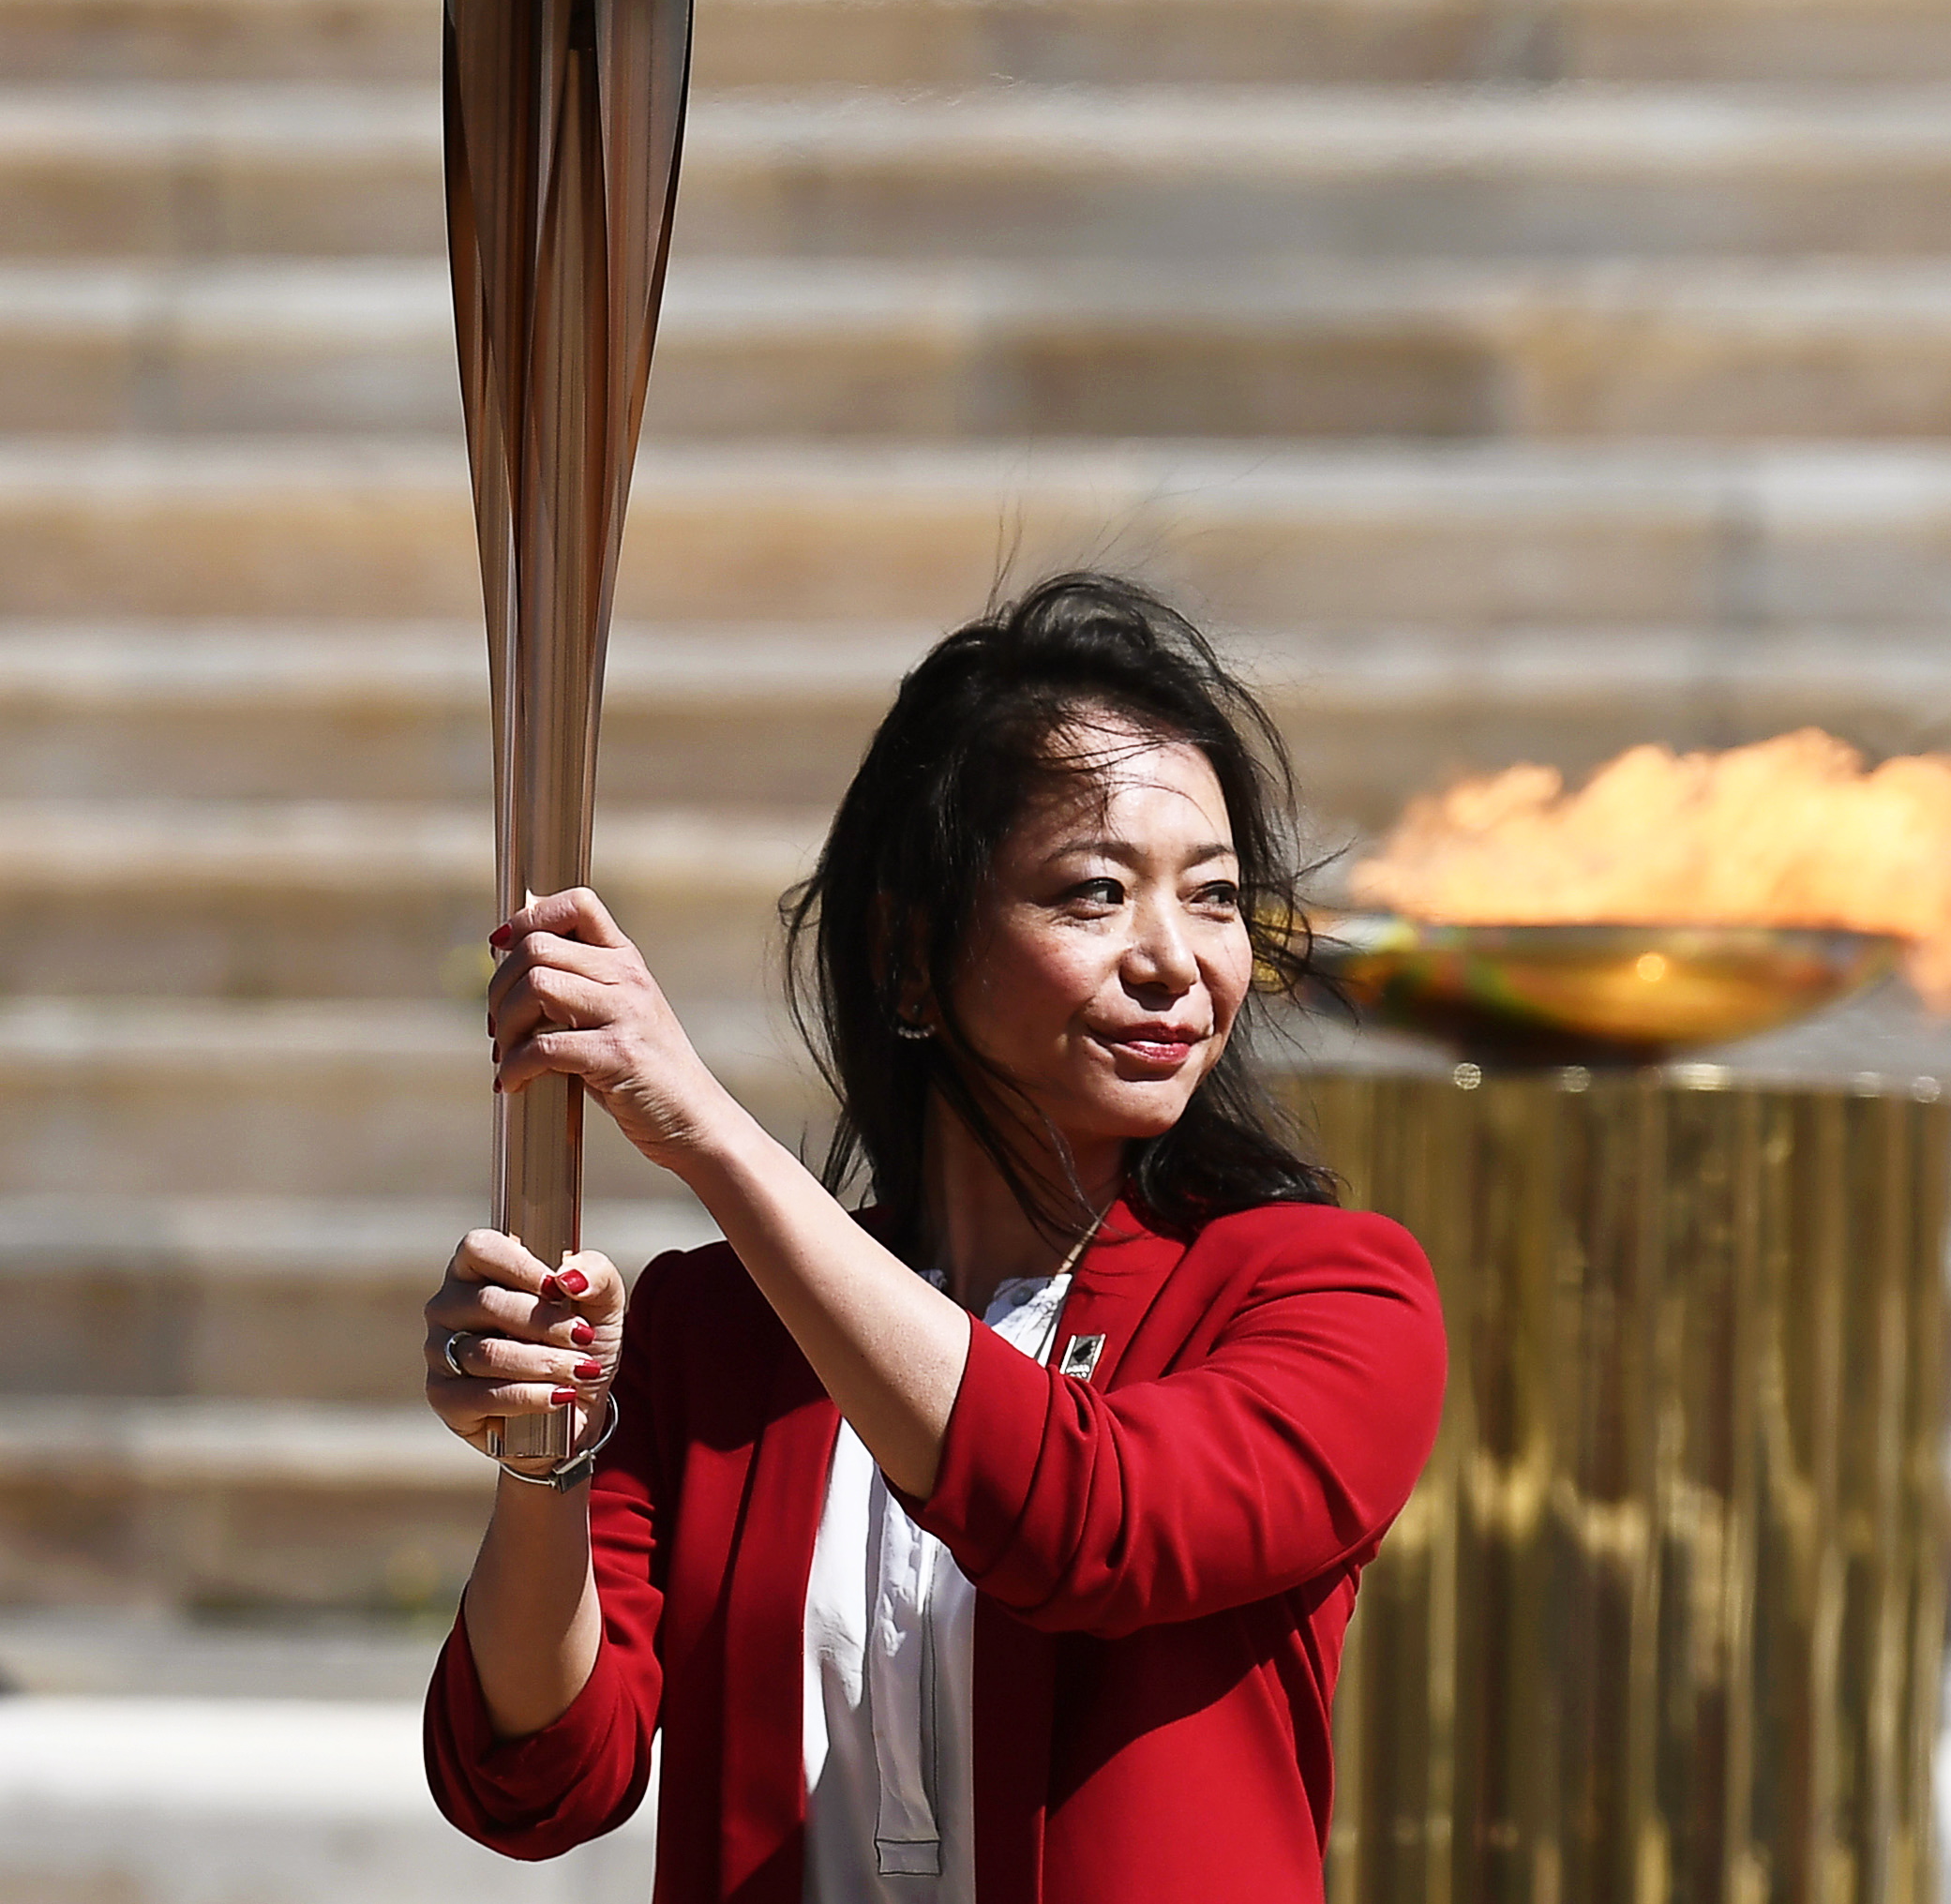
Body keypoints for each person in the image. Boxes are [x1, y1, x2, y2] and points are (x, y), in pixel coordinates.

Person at [417, 571, 1448, 1903]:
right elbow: (541, 1773)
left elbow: (1089, 1520)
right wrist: (543, 1446)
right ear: (912, 955)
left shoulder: (1330, 1293)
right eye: (1092, 893)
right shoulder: (715, 1334)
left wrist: (712, 1139)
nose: (1174, 959)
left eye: (1212, 896)